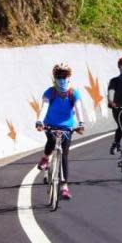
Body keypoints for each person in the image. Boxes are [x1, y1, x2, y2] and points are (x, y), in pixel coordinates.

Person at [35, 63, 86, 200]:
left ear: (69, 77)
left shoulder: (73, 93)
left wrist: (81, 123)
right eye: (59, 76)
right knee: (51, 140)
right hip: (50, 124)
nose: (62, 79)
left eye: (64, 76)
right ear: (54, 77)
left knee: (64, 155)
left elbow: (78, 107)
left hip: (67, 127)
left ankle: (64, 187)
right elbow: (44, 106)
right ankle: (45, 158)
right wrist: (40, 121)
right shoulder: (50, 92)